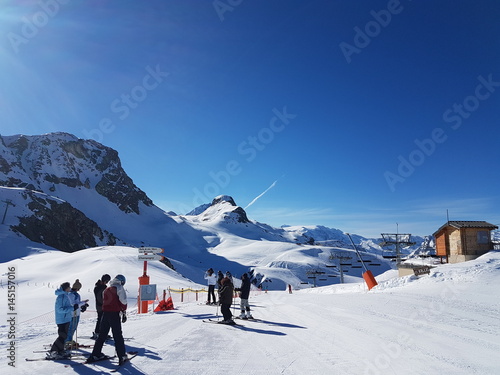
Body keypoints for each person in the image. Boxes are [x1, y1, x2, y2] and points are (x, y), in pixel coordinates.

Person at [88, 274, 129, 365]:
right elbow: (123, 301)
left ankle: (96, 354)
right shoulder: (119, 288)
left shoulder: (107, 289)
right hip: (114, 314)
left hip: (105, 314)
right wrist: (123, 310)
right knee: (117, 335)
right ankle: (121, 355)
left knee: (102, 335)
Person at [47, 282, 78, 359]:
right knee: (62, 336)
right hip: (62, 319)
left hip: (66, 318)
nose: (70, 288)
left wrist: (75, 307)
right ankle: (53, 351)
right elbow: (60, 309)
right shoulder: (61, 297)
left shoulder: (65, 295)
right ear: (65, 288)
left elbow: (67, 306)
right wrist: (72, 308)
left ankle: (60, 350)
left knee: (64, 336)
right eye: (68, 287)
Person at [65, 279, 89, 349]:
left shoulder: (76, 294)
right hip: (72, 313)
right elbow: (73, 304)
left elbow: (77, 303)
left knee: (74, 327)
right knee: (71, 327)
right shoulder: (71, 294)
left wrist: (83, 306)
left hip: (76, 313)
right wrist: (83, 303)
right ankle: (67, 340)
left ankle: (69, 339)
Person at [92, 274, 111, 339]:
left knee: (103, 320)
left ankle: (102, 333)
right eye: (107, 281)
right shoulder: (98, 287)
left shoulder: (102, 287)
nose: (107, 283)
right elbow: (99, 298)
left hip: (102, 305)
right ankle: (98, 332)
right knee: (101, 319)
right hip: (100, 306)